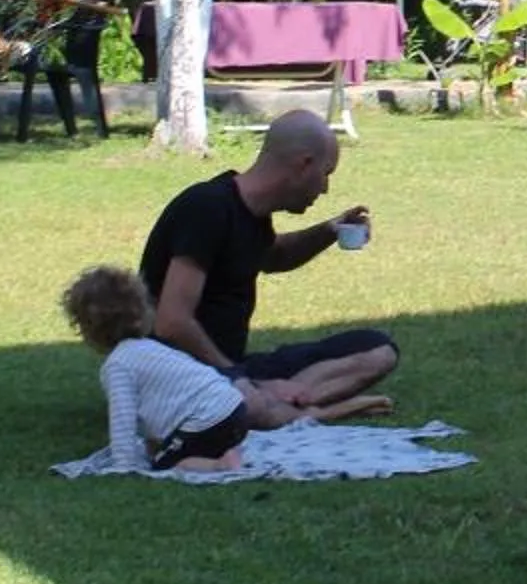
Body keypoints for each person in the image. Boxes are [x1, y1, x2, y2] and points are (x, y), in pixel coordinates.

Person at [137, 109, 401, 410]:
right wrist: (235, 377)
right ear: (304, 165)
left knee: (378, 350)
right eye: (326, 174)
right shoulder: (207, 208)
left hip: (230, 368)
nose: (325, 188)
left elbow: (275, 256)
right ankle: (290, 407)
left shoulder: (253, 214)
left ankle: (284, 402)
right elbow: (172, 321)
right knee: (239, 400)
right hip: (184, 375)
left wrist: (331, 230)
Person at [59, 265, 391, 474]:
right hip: (233, 409)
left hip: (213, 421)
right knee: (175, 444)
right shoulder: (154, 350)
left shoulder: (118, 365)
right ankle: (221, 448)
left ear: (88, 330)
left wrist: (124, 466)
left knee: (168, 462)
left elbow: (122, 419)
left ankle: (221, 463)